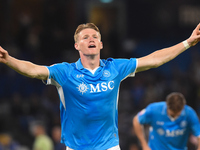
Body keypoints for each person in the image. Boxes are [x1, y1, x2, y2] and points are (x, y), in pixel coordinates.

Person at [0, 22, 200, 150]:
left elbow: (154, 60)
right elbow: (34, 70)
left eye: (95, 36)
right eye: (85, 37)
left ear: (101, 45)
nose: (91, 39)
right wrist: (9, 60)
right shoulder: (65, 72)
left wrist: (187, 43)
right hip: (76, 147)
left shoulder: (115, 68)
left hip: (109, 146)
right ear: (77, 46)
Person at [133, 92, 200, 150]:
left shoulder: (189, 113)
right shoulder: (154, 109)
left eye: (178, 114)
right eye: (172, 115)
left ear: (182, 108)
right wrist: (144, 145)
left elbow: (199, 134)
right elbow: (136, 120)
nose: (175, 117)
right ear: (167, 106)